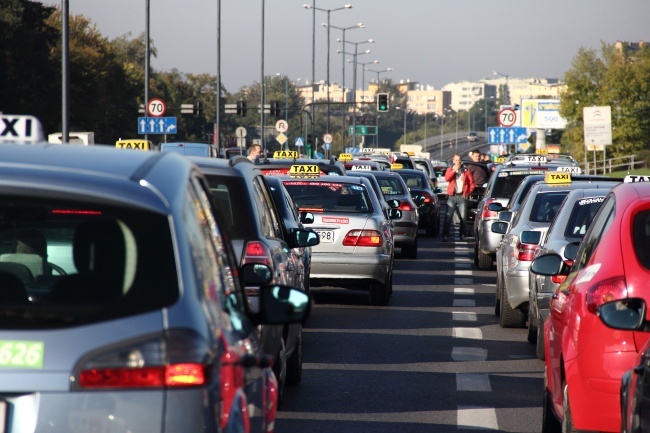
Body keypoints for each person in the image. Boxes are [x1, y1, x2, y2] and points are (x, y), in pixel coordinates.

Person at [442, 154, 475, 242]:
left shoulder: (465, 171)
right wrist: (454, 170)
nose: (458, 162)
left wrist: (468, 192)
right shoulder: (450, 169)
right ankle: (445, 235)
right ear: (453, 161)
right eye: (456, 160)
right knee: (448, 216)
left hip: (462, 196)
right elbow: (447, 178)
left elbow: (472, 183)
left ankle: (463, 235)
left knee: (463, 217)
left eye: (459, 160)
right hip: (452, 196)